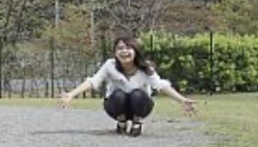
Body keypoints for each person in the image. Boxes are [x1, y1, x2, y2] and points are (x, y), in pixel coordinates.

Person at [59, 36, 196, 136]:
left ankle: (137, 123)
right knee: (119, 94)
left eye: (128, 48)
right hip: (115, 106)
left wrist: (182, 100)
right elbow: (93, 81)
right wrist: (71, 94)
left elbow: (161, 86)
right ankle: (121, 122)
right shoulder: (110, 65)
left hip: (141, 106)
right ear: (115, 52)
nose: (124, 52)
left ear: (135, 51)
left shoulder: (145, 68)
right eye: (120, 48)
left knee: (138, 93)